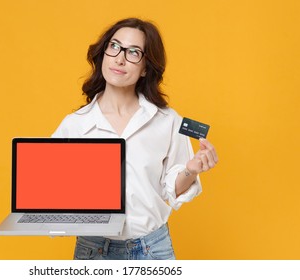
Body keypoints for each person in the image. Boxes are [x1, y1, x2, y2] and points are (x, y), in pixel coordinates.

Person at [52, 18, 218, 260]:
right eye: (114, 47)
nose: (120, 58)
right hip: (93, 250)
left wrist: (190, 170)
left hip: (153, 249)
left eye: (133, 53)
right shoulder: (75, 124)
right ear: (104, 54)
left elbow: (171, 189)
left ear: (146, 68)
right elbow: (54, 191)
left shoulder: (167, 121)